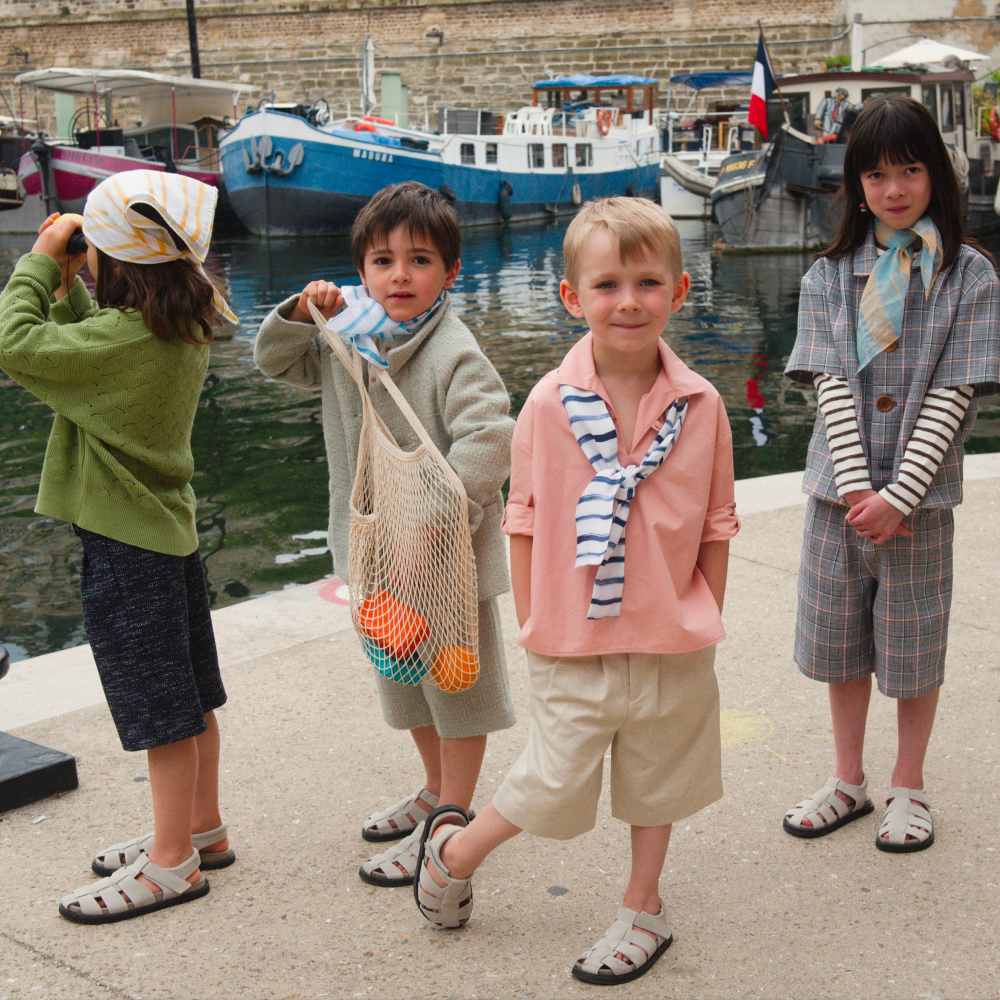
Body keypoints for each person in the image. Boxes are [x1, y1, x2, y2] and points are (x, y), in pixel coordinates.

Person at [411, 197, 739, 986]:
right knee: (551, 779)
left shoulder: (703, 406)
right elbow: (522, 518)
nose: (628, 301)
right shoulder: (549, 406)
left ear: (680, 291)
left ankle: (643, 905)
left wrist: (703, 614)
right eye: (608, 284)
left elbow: (717, 523)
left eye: (648, 282)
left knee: (660, 778)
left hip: (671, 635)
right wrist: (536, 621)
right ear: (572, 297)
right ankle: (456, 850)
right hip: (572, 635)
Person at [254, 182, 515, 888]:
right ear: (362, 269)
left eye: (421, 259)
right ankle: (434, 789)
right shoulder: (349, 336)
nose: (400, 275)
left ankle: (451, 817)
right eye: (382, 260)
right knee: (407, 685)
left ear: (451, 273)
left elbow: (491, 438)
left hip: (443, 561)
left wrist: (432, 529)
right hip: (374, 551)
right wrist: (302, 314)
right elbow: (276, 362)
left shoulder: (455, 352)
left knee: (459, 688)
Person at [0, 170, 238, 923]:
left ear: (122, 265)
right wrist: (78, 280)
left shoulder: (125, 338)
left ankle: (172, 865)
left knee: (157, 707)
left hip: (123, 547)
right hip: (168, 534)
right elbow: (81, 349)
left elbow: (18, 344)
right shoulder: (184, 321)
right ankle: (200, 828)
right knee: (191, 693)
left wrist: (40, 262)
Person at [783, 95, 1000, 852]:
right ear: (857, 184)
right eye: (876, 175)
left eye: (910, 170)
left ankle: (909, 782)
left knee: (912, 647)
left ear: (935, 173)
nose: (895, 189)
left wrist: (901, 493)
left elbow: (955, 388)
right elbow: (831, 380)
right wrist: (858, 490)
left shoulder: (969, 277)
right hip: (836, 499)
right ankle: (848, 778)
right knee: (841, 642)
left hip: (921, 502)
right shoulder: (829, 275)